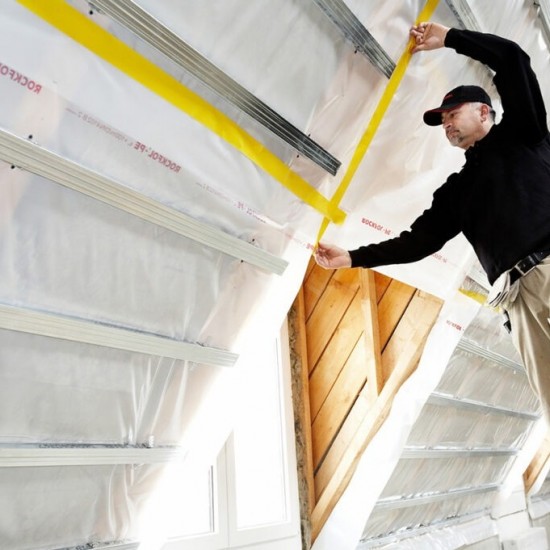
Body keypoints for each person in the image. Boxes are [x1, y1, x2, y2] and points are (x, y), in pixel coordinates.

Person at [315, 22, 550, 420]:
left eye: (452, 114)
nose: (446, 124)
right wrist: (352, 257)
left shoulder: (523, 134)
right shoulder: (456, 191)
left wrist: (451, 38)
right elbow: (416, 242)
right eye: (442, 121)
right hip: (518, 300)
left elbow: (512, 58)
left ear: (484, 112)